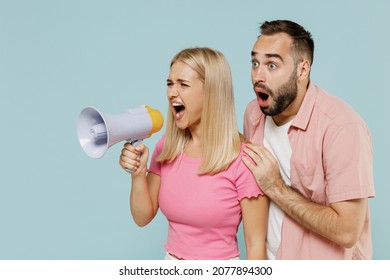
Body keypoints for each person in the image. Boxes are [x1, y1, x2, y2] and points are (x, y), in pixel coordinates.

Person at [241, 20, 375, 259]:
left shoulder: (342, 127)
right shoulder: (254, 114)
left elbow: (347, 231)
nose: (258, 76)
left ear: (302, 69)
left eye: (272, 65)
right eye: (255, 63)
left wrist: (275, 187)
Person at [119, 47, 269, 260]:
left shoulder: (243, 160)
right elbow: (142, 217)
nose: (172, 92)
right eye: (170, 84)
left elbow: (255, 246)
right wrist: (137, 173)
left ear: (211, 93)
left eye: (183, 84)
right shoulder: (167, 148)